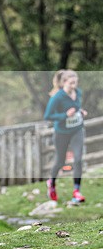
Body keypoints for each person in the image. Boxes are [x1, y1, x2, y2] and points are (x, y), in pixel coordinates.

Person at [44, 69, 87, 203]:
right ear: (64, 83)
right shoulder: (57, 97)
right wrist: (65, 115)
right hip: (61, 133)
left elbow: (76, 106)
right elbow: (48, 116)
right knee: (60, 161)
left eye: (76, 82)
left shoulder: (78, 92)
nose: (74, 85)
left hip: (77, 130)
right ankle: (52, 183)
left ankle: (76, 192)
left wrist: (80, 112)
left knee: (78, 159)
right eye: (71, 83)